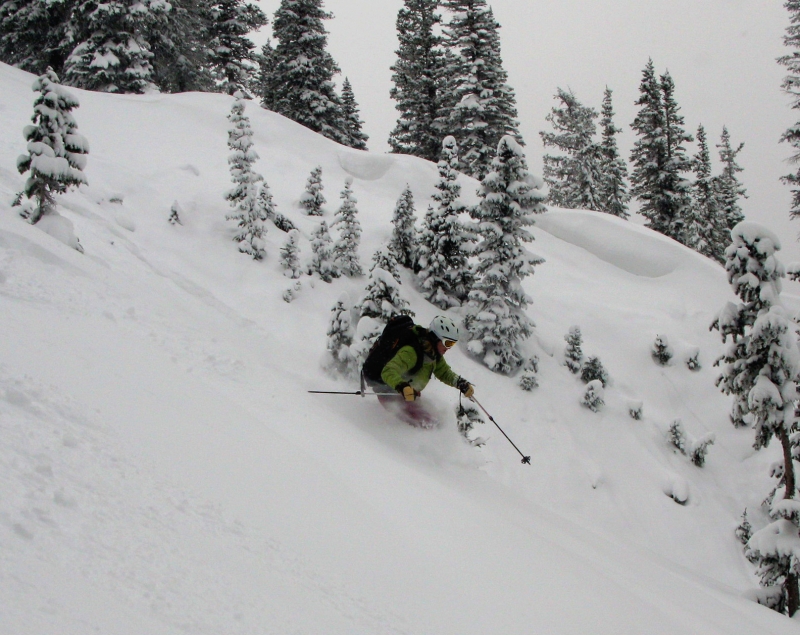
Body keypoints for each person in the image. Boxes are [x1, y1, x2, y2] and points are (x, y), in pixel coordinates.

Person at [364, 315, 475, 426]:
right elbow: (388, 371)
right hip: (389, 393)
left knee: (435, 421)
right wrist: (402, 386)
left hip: (408, 396)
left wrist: (460, 383)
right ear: (435, 337)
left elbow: (444, 372)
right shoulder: (411, 352)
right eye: (447, 343)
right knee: (428, 424)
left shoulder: (433, 354)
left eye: (452, 344)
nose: (449, 348)